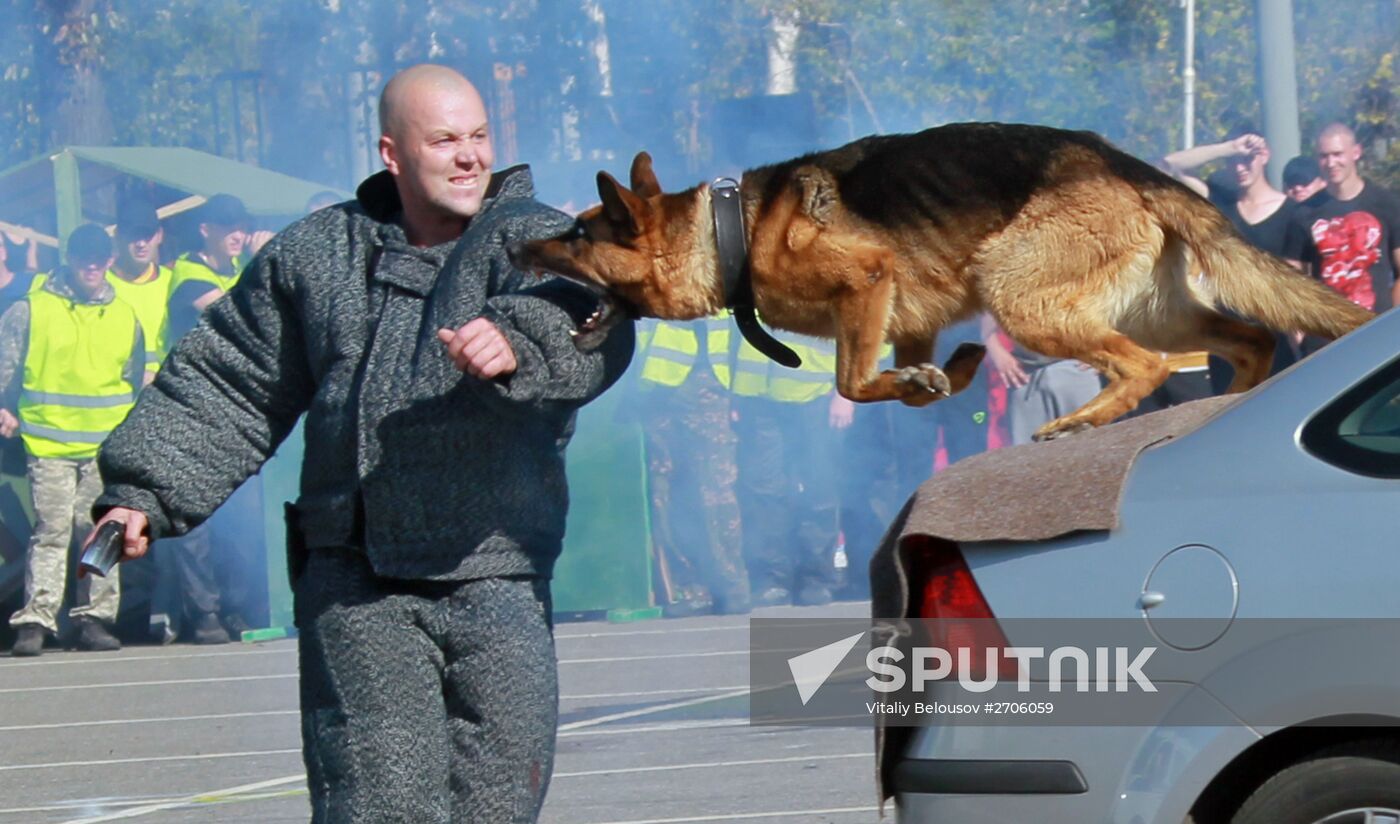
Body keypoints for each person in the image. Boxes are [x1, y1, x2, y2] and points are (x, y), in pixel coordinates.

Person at [89, 64, 633, 822]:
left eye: (479, 136)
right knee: (379, 805)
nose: (470, 155)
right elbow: (233, 376)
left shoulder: (538, 239)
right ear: (393, 153)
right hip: (357, 585)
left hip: (497, 573)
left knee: (498, 807)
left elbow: (589, 316)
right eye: (444, 140)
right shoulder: (316, 254)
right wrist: (144, 490)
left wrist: (517, 339)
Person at [2, 224, 147, 656]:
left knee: (100, 531)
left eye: (99, 257)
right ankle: (36, 620)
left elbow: (132, 379)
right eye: (84, 256)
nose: (92, 264)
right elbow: (6, 369)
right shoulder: (31, 310)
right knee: (52, 531)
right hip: (48, 444)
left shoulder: (125, 315)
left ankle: (95, 619)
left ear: (108, 261)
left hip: (103, 447)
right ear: (69, 258)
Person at [1163, 127, 1299, 392]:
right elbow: (1171, 165)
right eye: (1234, 161)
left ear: (1265, 156)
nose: (1240, 167)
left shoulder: (1293, 213)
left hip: (1276, 339)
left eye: (1247, 159)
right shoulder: (1219, 203)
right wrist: (1229, 147)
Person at [634, 315, 750, 617]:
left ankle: (730, 586)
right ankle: (687, 589)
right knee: (665, 496)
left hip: (704, 379)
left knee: (714, 491)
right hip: (654, 384)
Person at [732, 330, 845, 607]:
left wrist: (846, 394)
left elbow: (862, 337)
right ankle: (773, 580)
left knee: (819, 489)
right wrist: (737, 394)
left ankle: (816, 578)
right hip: (758, 396)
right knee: (764, 489)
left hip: (815, 394)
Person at [1285, 123, 1400, 354]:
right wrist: (1295, 328)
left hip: (1377, 331)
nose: (1331, 163)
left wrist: (1393, 322)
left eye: (1337, 154)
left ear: (1355, 152)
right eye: (1323, 156)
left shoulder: (1386, 203)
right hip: (1325, 337)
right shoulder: (1303, 213)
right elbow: (1289, 276)